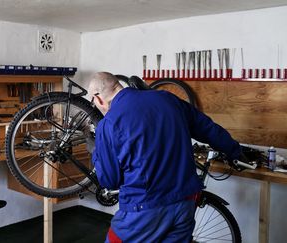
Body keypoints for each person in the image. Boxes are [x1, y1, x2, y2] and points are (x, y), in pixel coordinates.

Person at [88, 72, 244, 243]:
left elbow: (110, 181)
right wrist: (235, 152)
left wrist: (97, 152)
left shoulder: (109, 123)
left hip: (143, 208)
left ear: (98, 99)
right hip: (185, 202)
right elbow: (207, 128)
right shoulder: (167, 98)